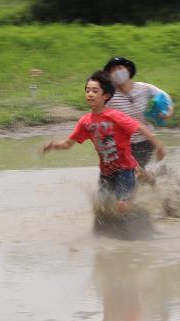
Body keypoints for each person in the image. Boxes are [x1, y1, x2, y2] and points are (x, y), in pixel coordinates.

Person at [42, 70, 166, 215]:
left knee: (121, 205)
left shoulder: (115, 116)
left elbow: (139, 127)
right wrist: (52, 145)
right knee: (102, 208)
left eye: (95, 91)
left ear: (106, 96)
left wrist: (158, 146)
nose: (90, 94)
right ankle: (144, 176)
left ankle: (139, 217)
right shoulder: (85, 121)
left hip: (124, 170)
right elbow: (67, 144)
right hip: (106, 172)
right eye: (87, 90)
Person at [104, 56, 174, 167]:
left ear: (128, 70)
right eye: (113, 70)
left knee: (135, 172)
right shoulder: (110, 96)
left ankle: (150, 179)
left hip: (145, 140)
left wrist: (168, 112)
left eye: (119, 68)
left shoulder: (145, 88)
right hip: (122, 143)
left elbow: (166, 98)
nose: (116, 72)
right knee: (127, 174)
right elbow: (100, 115)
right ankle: (152, 180)